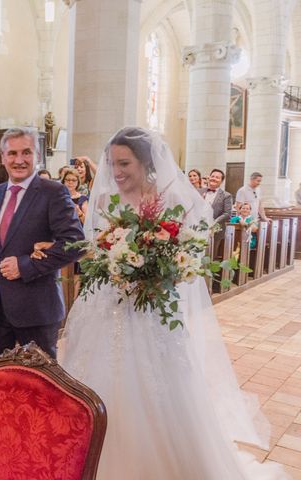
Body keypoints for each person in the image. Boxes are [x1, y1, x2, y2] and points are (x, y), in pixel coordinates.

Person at [56, 126, 285, 479]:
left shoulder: (168, 199)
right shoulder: (102, 201)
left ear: (144, 162)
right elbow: (95, 251)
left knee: (153, 387)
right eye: (111, 163)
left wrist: (158, 272)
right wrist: (113, 263)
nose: (116, 172)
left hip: (150, 309)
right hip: (107, 304)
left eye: (124, 163)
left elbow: (188, 257)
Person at [0, 127, 84, 359]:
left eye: (26, 153)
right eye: (12, 153)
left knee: (38, 386)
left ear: (37, 155)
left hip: (36, 308)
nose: (19, 160)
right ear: (2, 158)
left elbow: (75, 243)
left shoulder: (53, 193)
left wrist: (25, 265)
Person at [200, 168, 233, 257]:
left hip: (215, 230)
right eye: (212, 176)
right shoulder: (200, 191)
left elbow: (227, 214)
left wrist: (213, 223)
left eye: (217, 177)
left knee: (210, 256)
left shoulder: (226, 195)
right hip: (198, 228)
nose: (214, 178)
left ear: (221, 181)